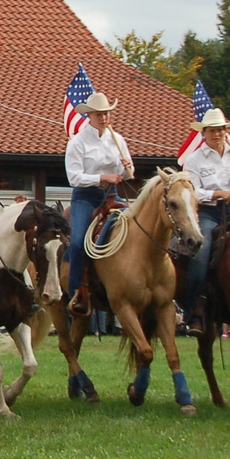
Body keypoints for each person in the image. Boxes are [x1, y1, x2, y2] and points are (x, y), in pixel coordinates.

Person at [179, 108, 230, 332]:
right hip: (208, 212)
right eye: (212, 130)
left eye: (220, 130)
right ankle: (194, 310)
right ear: (204, 133)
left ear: (225, 131)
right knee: (200, 254)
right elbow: (192, 190)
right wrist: (217, 194)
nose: (217, 134)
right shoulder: (194, 159)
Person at [63, 91, 132, 319]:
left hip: (112, 195)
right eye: (99, 114)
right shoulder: (78, 142)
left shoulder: (118, 139)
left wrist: (126, 168)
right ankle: (76, 291)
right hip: (85, 197)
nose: (104, 118)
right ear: (89, 116)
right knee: (78, 242)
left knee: (135, 230)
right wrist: (102, 177)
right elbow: (74, 178)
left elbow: (127, 173)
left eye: (106, 114)